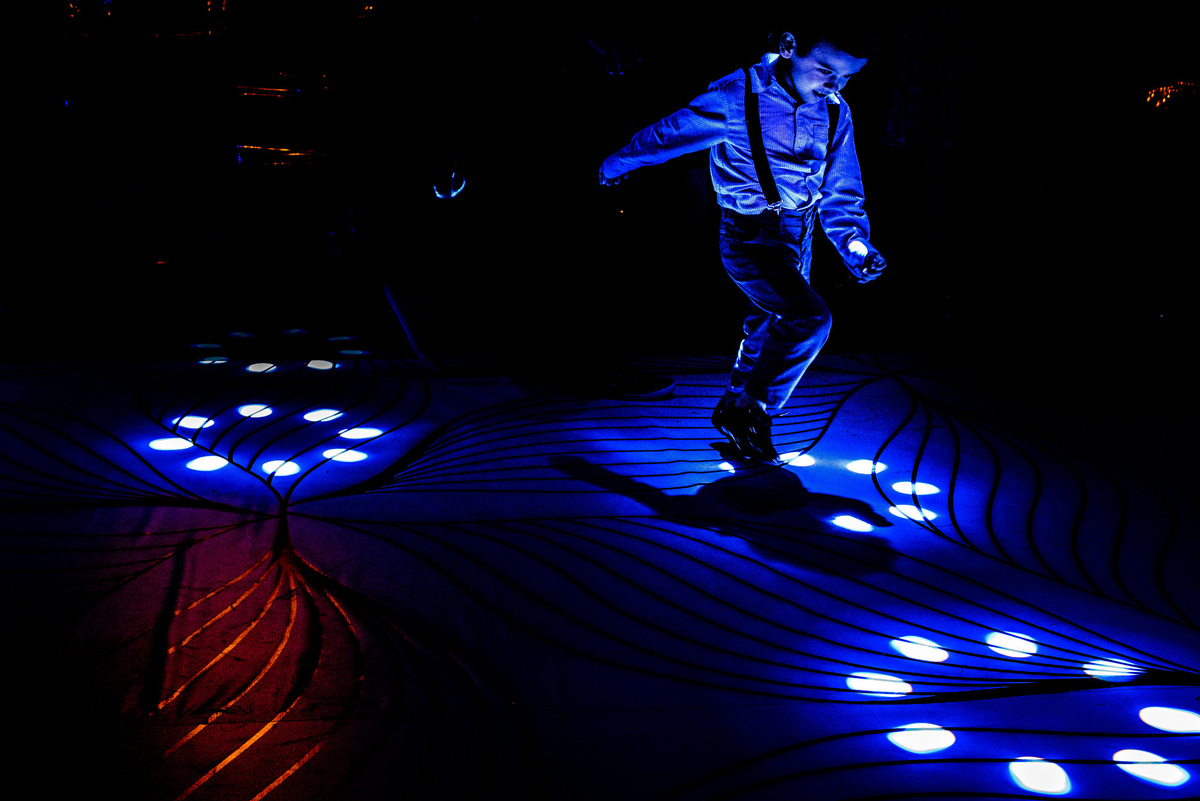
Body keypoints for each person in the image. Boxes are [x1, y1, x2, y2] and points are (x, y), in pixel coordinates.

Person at [599, 23, 888, 462]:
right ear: (788, 47)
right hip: (749, 235)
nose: (834, 85)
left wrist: (854, 244)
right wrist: (617, 163)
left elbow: (841, 188)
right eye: (826, 70)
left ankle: (734, 401)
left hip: (800, 233)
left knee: (770, 322)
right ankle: (751, 409)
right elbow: (671, 133)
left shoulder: (835, 111)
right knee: (809, 318)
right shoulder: (738, 96)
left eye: (847, 77)